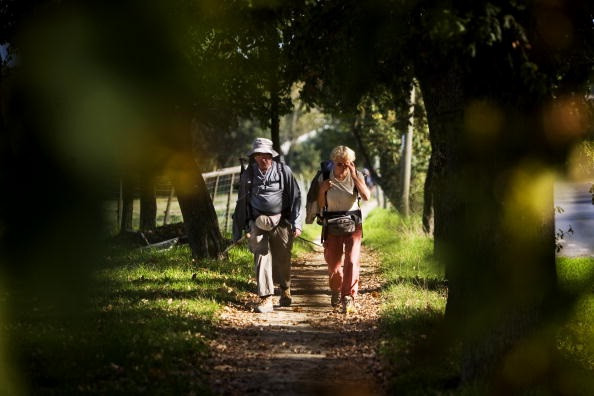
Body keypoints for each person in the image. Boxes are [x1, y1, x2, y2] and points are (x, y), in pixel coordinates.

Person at [232, 137, 302, 313]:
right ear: (254, 157)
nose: (264, 159)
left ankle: (285, 287)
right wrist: (239, 229)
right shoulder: (248, 175)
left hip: (282, 221)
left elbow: (296, 197)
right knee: (261, 256)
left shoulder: (284, 171)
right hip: (257, 222)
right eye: (259, 155)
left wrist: (296, 223)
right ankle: (266, 298)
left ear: (272, 156)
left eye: (267, 155)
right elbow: (241, 203)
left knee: (282, 258)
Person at [317, 146, 370, 313]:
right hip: (331, 222)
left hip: (353, 222)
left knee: (352, 260)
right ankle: (336, 289)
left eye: (347, 164)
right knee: (333, 263)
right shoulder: (325, 176)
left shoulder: (357, 175)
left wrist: (354, 177)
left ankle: (348, 296)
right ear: (333, 162)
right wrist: (323, 189)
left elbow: (367, 196)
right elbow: (320, 204)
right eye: (339, 164)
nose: (343, 168)